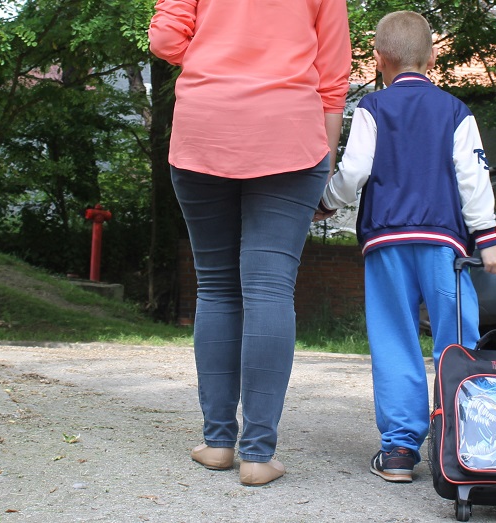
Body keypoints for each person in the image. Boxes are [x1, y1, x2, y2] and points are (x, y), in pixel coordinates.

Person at [148, 0, 351, 486]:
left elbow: (164, 41)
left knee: (216, 287)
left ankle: (218, 442)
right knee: (269, 289)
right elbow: (333, 77)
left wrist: (217, 54)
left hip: (205, 127)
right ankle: (258, 454)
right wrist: (323, 163)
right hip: (290, 134)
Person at [315, 10, 496, 483]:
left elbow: (356, 169)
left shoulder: (372, 109)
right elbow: (473, 179)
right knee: (458, 342)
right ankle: (468, 445)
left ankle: (401, 451)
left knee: (394, 339)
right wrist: (487, 240)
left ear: (378, 56)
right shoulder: (456, 111)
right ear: (433, 56)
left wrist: (326, 201)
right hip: (446, 244)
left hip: (386, 241)